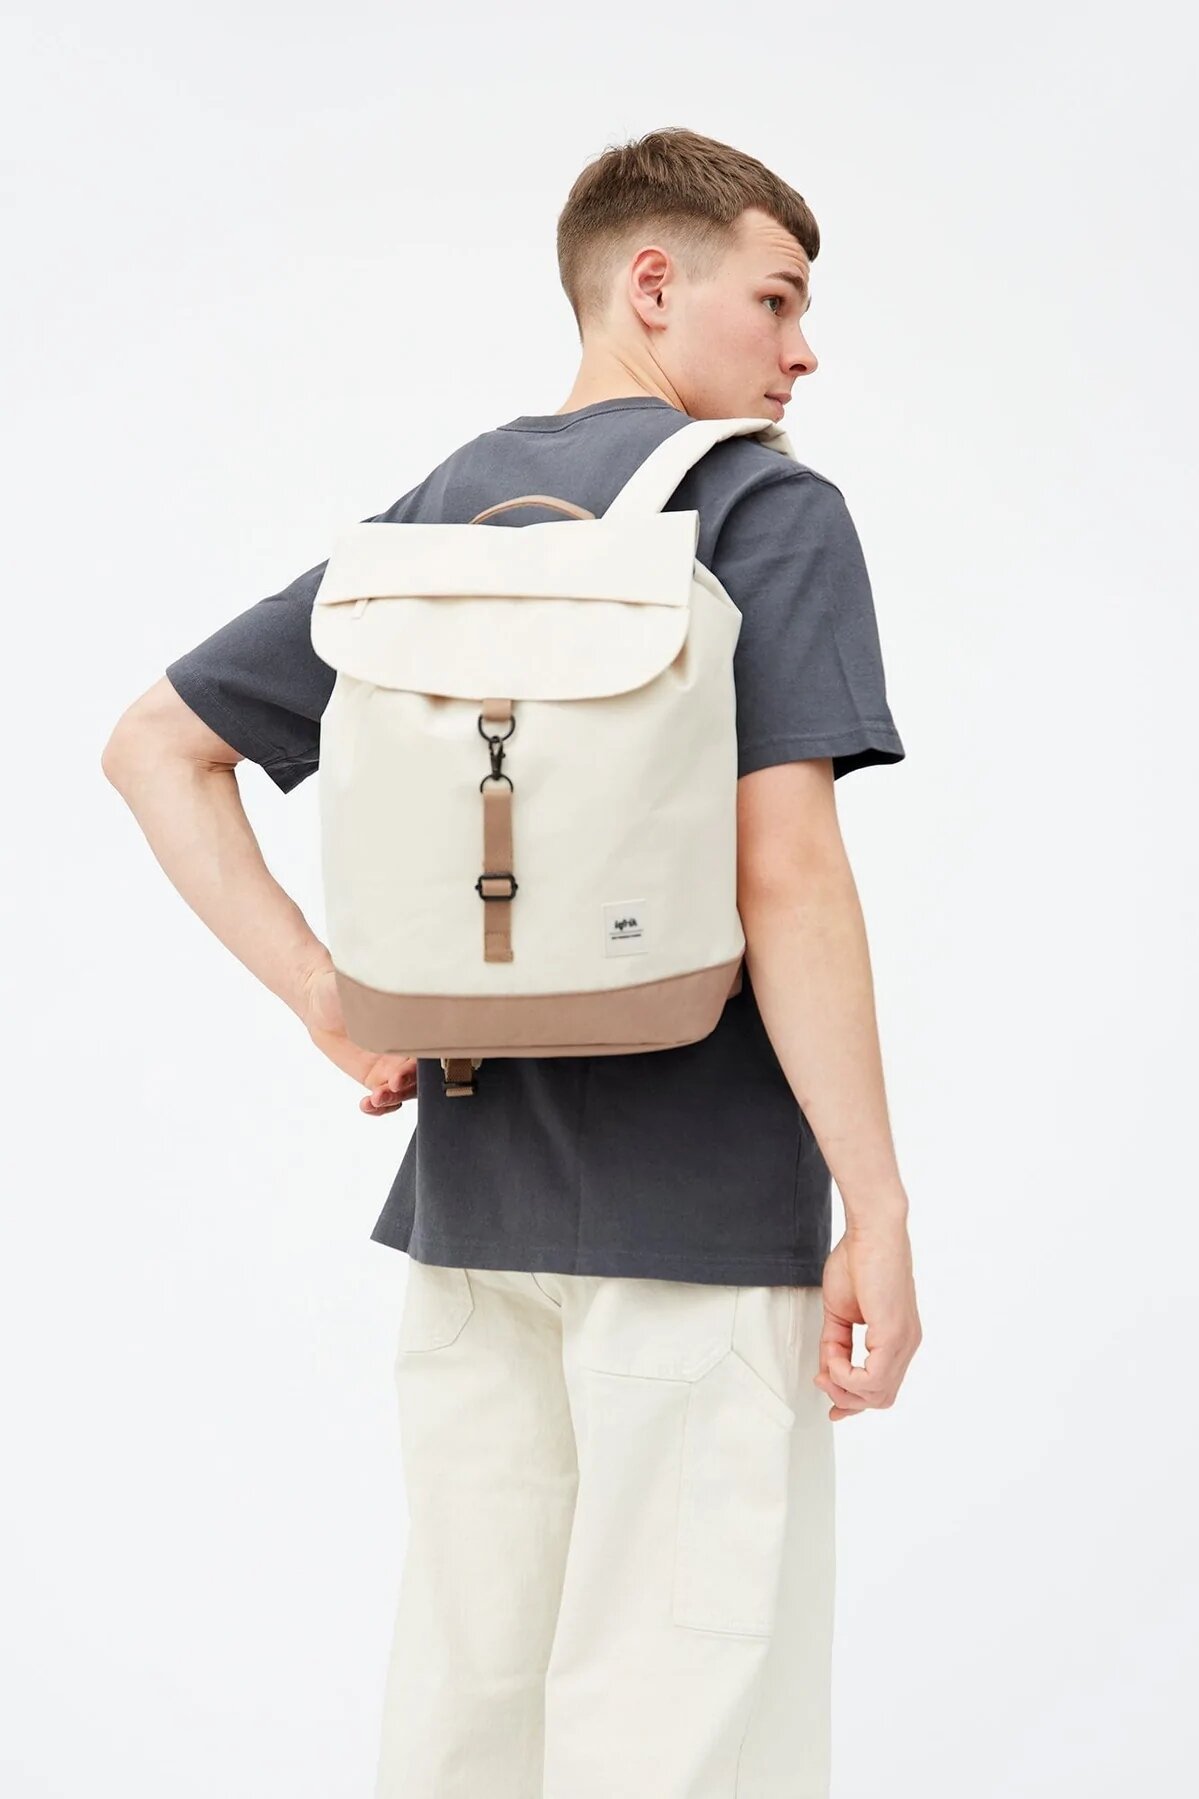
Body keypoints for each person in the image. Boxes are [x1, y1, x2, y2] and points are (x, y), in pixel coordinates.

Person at [102, 125, 922, 1799]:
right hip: (702, 1219)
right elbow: (788, 874)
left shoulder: (440, 517)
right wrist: (879, 1207)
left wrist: (330, 999)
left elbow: (156, 745)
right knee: (682, 1722)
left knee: (469, 1708)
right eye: (777, 300)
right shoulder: (767, 509)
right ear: (651, 282)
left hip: (471, 1215)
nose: (802, 351)